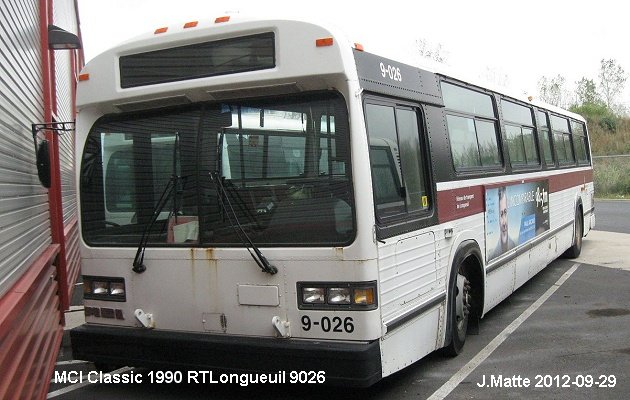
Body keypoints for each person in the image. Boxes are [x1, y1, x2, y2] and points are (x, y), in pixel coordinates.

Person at [489, 186, 516, 260]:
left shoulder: (513, 244)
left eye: (505, 213)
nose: (504, 223)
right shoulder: (494, 256)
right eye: (501, 215)